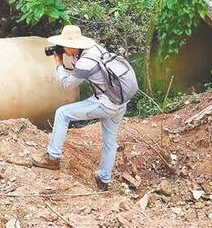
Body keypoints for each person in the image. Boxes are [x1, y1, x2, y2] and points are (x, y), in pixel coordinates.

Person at [31, 25, 138, 191]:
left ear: (72, 46)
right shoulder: (95, 49)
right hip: (120, 103)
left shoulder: (85, 63)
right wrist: (71, 58)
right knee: (110, 142)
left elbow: (67, 84)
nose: (63, 48)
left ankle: (52, 158)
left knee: (62, 113)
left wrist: (59, 64)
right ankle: (103, 179)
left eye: (64, 45)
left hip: (105, 104)